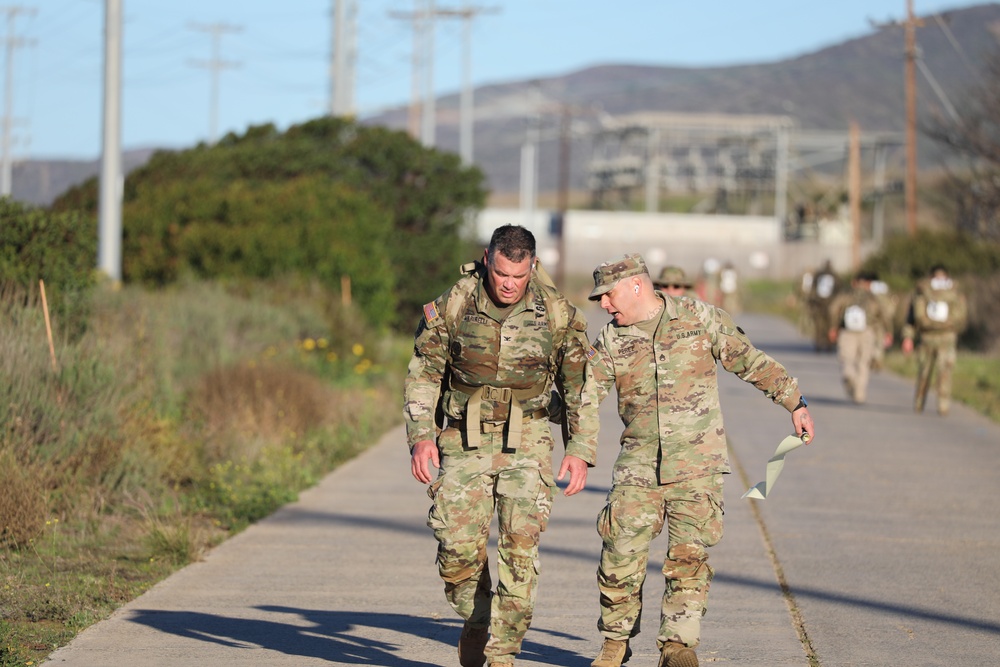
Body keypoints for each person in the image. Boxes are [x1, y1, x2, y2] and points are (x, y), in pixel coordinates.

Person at [580, 254, 816, 667]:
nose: (603, 304)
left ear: (636, 286)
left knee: (688, 559)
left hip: (698, 465)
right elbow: (585, 399)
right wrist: (580, 453)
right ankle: (615, 642)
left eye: (609, 295)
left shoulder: (699, 318)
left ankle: (677, 646)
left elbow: (749, 360)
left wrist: (794, 402)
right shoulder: (611, 340)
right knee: (619, 553)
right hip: (638, 467)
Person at [404, 224, 595, 667]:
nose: (509, 285)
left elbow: (579, 385)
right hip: (463, 435)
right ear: (488, 259)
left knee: (520, 546)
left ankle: (503, 653)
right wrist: (420, 437)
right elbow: (424, 373)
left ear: (533, 267)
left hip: (528, 435)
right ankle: (477, 621)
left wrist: (579, 448)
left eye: (519, 276)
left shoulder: (556, 312)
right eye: (502, 273)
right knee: (456, 550)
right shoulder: (454, 303)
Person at [901, 264, 968, 416]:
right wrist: (908, 338)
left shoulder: (954, 293)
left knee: (945, 372)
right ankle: (919, 402)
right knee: (924, 373)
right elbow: (911, 319)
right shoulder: (922, 292)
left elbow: (961, 318)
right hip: (927, 337)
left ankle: (943, 406)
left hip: (947, 337)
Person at [827, 271, 892, 404]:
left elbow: (833, 309)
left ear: (854, 282)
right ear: (868, 283)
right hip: (867, 332)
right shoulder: (872, 297)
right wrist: (888, 331)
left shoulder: (846, 295)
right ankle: (860, 393)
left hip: (847, 331)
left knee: (847, 359)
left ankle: (849, 376)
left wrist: (833, 327)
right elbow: (884, 314)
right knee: (864, 363)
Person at [808, 260, 839, 352]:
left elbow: (812, 289)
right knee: (829, 324)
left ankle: (818, 344)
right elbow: (838, 289)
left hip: (819, 303)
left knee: (818, 325)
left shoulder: (818, 275)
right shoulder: (834, 276)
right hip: (830, 304)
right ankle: (828, 345)